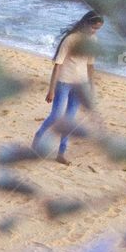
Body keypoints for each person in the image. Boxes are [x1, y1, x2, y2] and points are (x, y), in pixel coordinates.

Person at [32, 11, 104, 165]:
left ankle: (61, 153)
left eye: (97, 29)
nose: (94, 31)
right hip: (64, 82)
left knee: (70, 120)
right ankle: (38, 138)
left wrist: (91, 87)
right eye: (93, 27)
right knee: (56, 116)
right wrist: (51, 89)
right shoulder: (71, 39)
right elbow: (57, 65)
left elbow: (91, 65)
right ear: (86, 23)